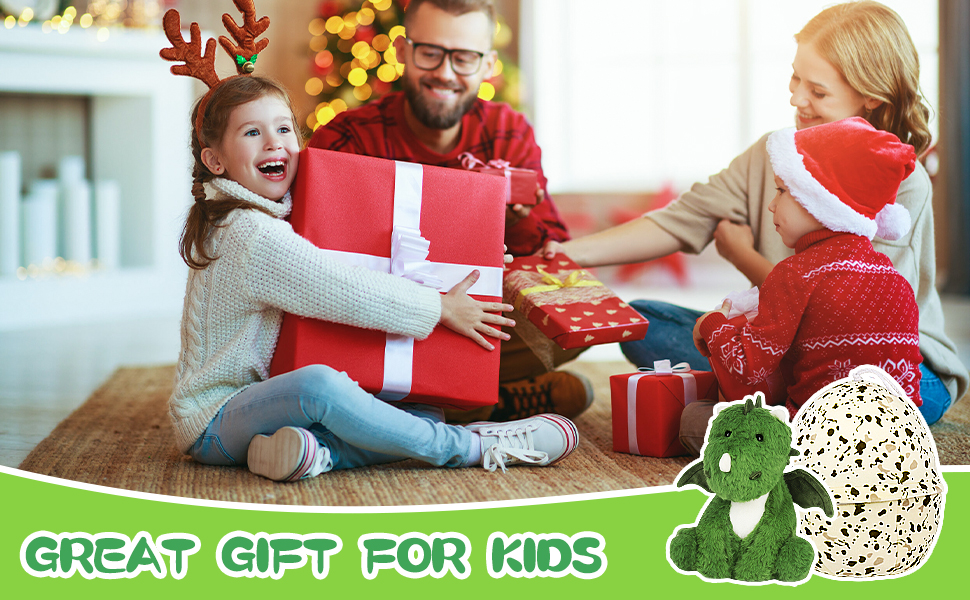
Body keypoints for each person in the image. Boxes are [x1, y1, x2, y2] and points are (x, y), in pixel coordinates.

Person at [542, 1, 966, 425]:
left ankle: (757, 414)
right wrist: (569, 254)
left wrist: (741, 256)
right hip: (782, 351)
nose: (797, 97)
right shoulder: (777, 152)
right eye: (795, 77)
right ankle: (767, 409)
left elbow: (852, 320)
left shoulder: (902, 182)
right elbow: (682, 217)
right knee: (647, 322)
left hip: (889, 371)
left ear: (870, 96)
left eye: (817, 91)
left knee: (843, 388)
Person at [168, 72, 580, 481]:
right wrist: (439, 307)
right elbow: (338, 287)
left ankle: (317, 455)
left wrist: (477, 256)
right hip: (216, 418)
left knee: (419, 410)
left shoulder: (276, 215)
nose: (274, 142)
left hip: (263, 410)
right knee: (319, 386)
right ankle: (470, 447)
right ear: (215, 161)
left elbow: (366, 255)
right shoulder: (248, 231)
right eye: (252, 133)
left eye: (283, 128)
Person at [308, 0, 592, 423]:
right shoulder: (348, 138)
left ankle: (405, 406)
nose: (445, 72)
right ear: (403, 51)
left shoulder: (506, 132)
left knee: (574, 308)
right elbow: (309, 262)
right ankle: (488, 402)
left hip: (472, 319)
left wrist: (515, 217)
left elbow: (552, 252)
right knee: (316, 348)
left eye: (463, 58)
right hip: (375, 321)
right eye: (430, 53)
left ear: (487, 65)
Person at [692, 118, 922, 445]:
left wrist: (710, 324)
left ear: (821, 199)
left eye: (783, 191)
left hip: (819, 440)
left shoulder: (795, 273)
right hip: (901, 437)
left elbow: (747, 369)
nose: (772, 204)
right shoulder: (893, 276)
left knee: (694, 419)